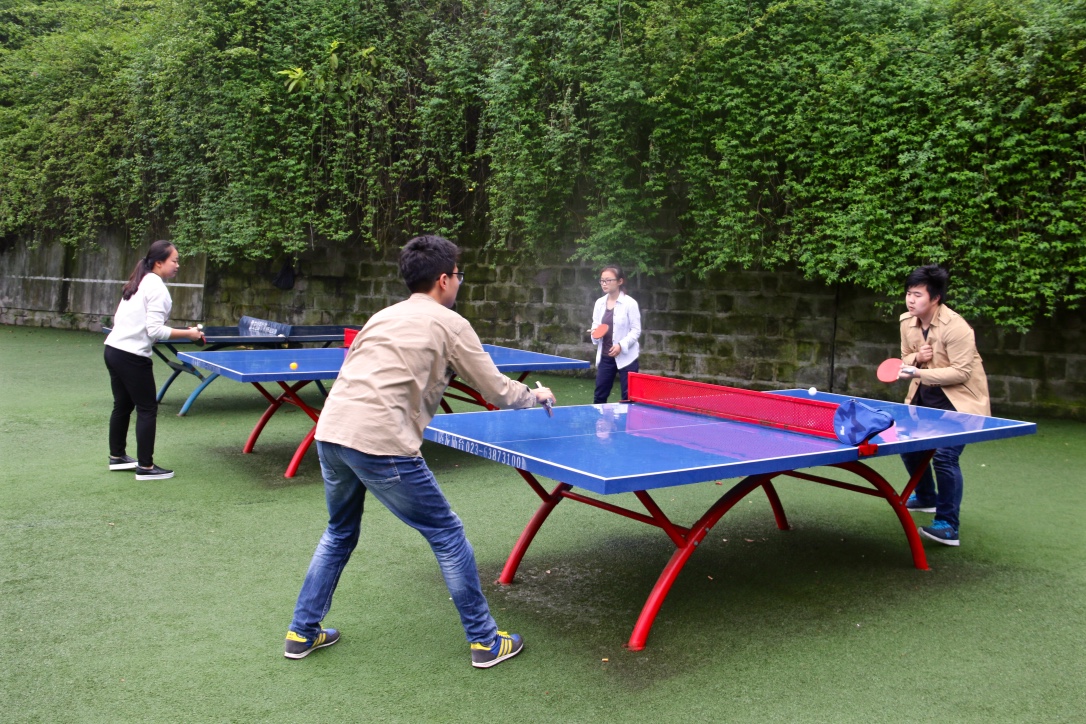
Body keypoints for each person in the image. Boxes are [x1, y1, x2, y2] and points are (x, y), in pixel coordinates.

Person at [284, 234, 555, 667]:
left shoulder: (381, 316)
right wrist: (534, 396)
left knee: (339, 532)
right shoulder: (451, 323)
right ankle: (485, 642)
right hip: (381, 442)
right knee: (447, 535)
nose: (460, 281)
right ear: (444, 279)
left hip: (331, 432)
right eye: (459, 274)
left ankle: (301, 631)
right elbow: (496, 390)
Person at [897, 264, 990, 546]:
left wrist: (918, 371)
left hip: (960, 407)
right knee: (909, 450)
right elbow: (904, 358)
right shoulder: (907, 322)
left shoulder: (957, 328)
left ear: (935, 298)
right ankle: (926, 497)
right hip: (923, 402)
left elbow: (961, 372)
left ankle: (949, 525)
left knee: (945, 457)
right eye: (909, 293)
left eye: (918, 295)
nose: (911, 300)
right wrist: (916, 358)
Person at [103, 240, 203, 481]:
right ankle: (146, 467)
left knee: (122, 405)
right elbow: (155, 330)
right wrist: (189, 334)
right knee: (147, 408)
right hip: (131, 356)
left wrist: (181, 331)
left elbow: (140, 324)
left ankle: (117, 457)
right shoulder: (157, 288)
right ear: (159, 263)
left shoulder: (139, 281)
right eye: (174, 260)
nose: (178, 265)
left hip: (113, 350)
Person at [590, 265, 641, 403]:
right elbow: (595, 325)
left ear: (620, 281)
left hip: (627, 357)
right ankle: (599, 418)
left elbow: (636, 330)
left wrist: (621, 345)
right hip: (605, 357)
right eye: (602, 280)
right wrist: (595, 333)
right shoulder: (599, 303)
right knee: (599, 396)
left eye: (608, 280)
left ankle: (629, 419)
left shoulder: (630, 303)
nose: (604, 284)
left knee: (629, 398)